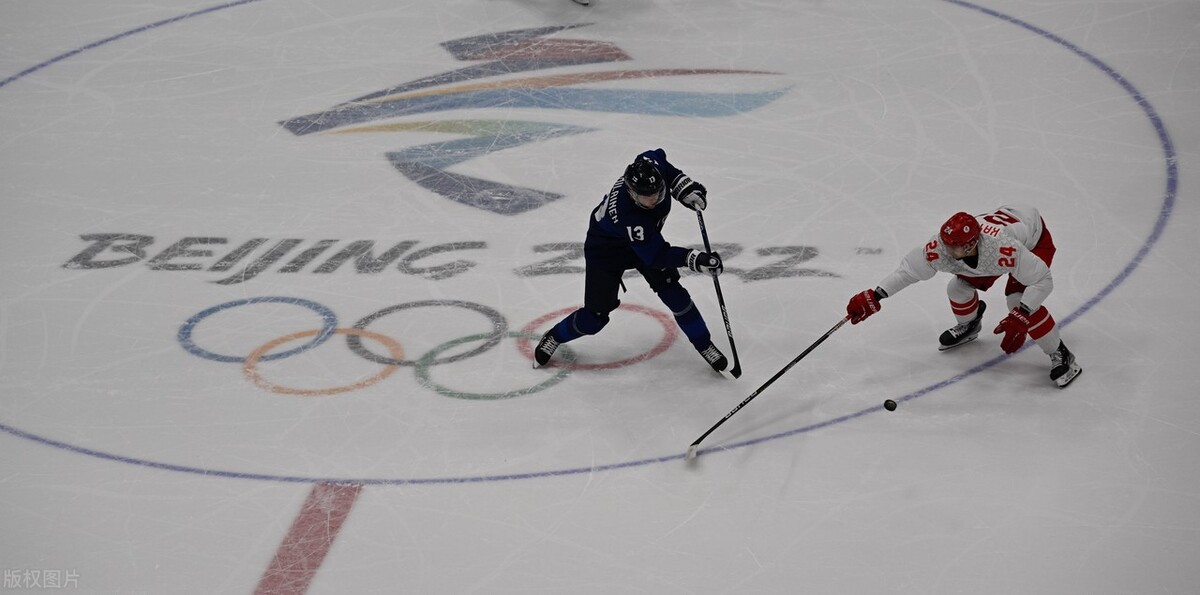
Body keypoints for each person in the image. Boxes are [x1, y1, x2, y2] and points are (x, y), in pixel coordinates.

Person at [845, 205, 1082, 388]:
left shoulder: (1003, 249)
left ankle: (1061, 353)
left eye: (954, 246)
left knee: (1016, 300)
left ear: (971, 245)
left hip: (1032, 239)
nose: (946, 250)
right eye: (946, 243)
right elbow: (908, 271)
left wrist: (1023, 314)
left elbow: (1042, 280)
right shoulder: (942, 246)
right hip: (1001, 232)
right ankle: (970, 324)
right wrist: (876, 295)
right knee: (957, 289)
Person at [533, 149, 728, 372]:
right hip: (606, 251)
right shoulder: (631, 217)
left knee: (675, 294)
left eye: (657, 191)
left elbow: (660, 160)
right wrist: (694, 258)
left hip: (644, 243)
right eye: (646, 196)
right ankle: (554, 336)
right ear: (632, 193)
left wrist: (683, 186)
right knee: (594, 318)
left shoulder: (650, 166)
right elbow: (656, 256)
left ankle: (704, 345)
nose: (654, 199)